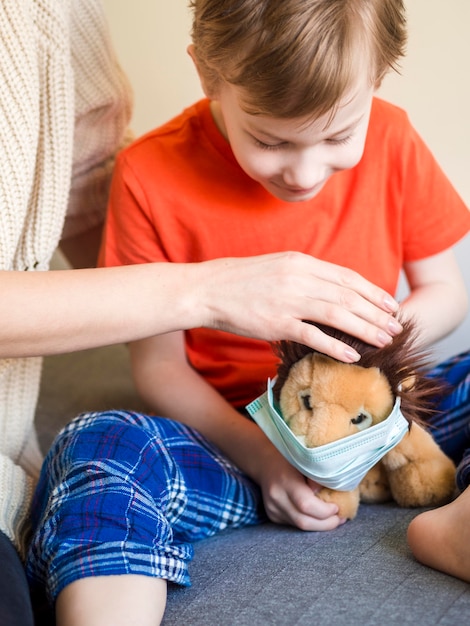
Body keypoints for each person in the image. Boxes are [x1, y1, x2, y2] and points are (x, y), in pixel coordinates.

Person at [25, 1, 470, 624]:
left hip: (393, 417)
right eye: (270, 140)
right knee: (99, 444)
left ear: (377, 81)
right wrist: (266, 459)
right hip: (235, 436)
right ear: (208, 75)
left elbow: (445, 290)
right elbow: (159, 368)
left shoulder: (395, 136)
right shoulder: (149, 174)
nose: (307, 171)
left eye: (340, 136)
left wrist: (373, 354)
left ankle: (458, 527)